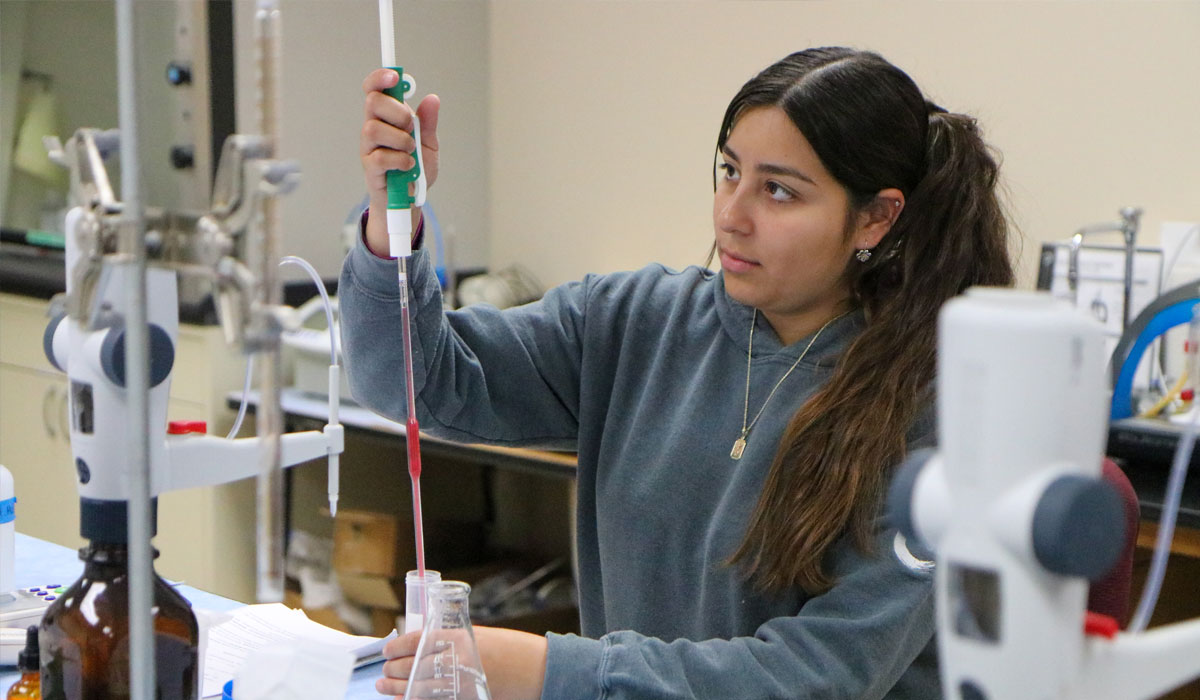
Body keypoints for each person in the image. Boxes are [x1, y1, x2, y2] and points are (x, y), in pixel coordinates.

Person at [341, 46, 1014, 699]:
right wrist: (391, 218)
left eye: (779, 191)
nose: (731, 215)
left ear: (876, 217)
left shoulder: (933, 406)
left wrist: (551, 672)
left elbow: (820, 675)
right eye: (729, 171)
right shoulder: (636, 322)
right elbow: (418, 380)